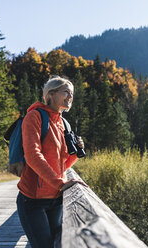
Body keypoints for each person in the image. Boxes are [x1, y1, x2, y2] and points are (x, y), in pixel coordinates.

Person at [16, 75, 86, 248]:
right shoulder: (34, 117)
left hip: (55, 199)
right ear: (51, 94)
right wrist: (60, 183)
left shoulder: (63, 123)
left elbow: (62, 165)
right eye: (66, 92)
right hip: (32, 201)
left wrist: (75, 153)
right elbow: (32, 155)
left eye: (72, 94)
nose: (70, 97)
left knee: (56, 243)